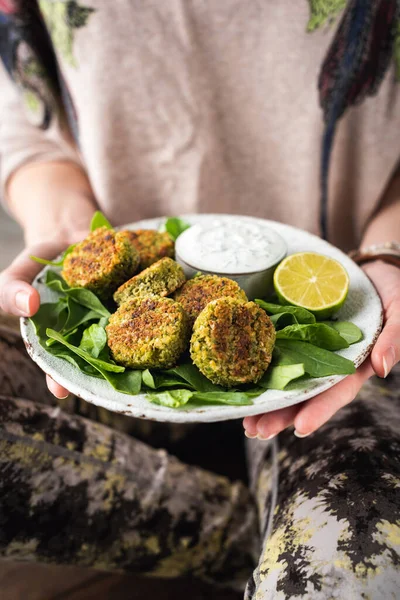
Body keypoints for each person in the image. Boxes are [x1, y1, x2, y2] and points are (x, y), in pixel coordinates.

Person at [0, 1, 399, 598]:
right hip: (114, 313)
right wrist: (69, 239)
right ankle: (236, 535)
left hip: (347, 332)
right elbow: (29, 126)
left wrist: (391, 254)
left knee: (349, 576)